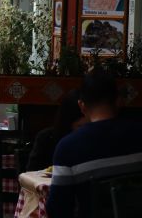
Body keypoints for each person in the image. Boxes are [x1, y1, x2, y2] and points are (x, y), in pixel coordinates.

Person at [47, 71, 142, 218]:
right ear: (118, 101)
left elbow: (58, 209)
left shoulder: (68, 147)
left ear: (82, 106)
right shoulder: (138, 133)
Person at [26, 91, 85, 171]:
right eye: (80, 126)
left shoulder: (93, 138)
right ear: (67, 121)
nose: (86, 130)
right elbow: (31, 172)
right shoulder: (47, 137)